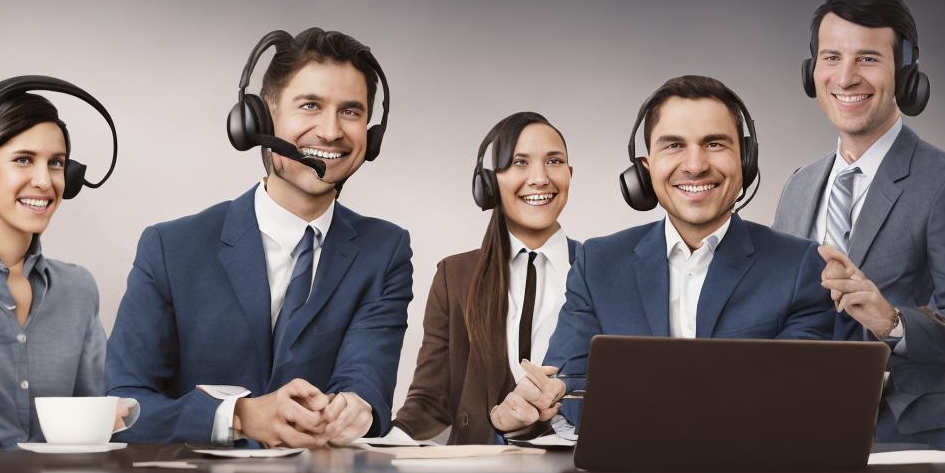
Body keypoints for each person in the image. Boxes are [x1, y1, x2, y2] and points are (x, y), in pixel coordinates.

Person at [106, 28, 412, 448]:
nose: (330, 131)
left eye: (350, 112)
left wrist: (356, 407)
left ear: (370, 135)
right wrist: (238, 417)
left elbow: (366, 378)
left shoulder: (385, 251)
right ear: (262, 118)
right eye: (310, 105)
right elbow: (122, 406)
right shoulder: (171, 248)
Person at [499, 75, 835, 430]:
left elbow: (796, 399)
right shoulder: (598, 264)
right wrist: (542, 399)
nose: (695, 165)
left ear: (745, 160)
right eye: (674, 145)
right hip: (630, 467)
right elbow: (570, 393)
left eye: (714, 144)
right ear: (645, 170)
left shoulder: (800, 266)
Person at [773, 0, 945, 449]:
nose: (846, 77)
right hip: (791, 429)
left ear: (906, 72)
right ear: (812, 72)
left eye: (868, 58)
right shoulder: (799, 185)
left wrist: (892, 322)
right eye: (831, 57)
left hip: (898, 435)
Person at [392, 112, 580, 444]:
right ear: (490, 184)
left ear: (569, 174)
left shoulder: (602, 271)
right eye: (520, 163)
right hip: (483, 466)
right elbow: (430, 401)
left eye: (554, 161)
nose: (540, 178)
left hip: (578, 463)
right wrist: (383, 444)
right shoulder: (455, 276)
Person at [0, 81, 125, 452]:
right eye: (23, 159)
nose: (44, 181)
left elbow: (98, 412)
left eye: (56, 163)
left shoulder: (78, 289)